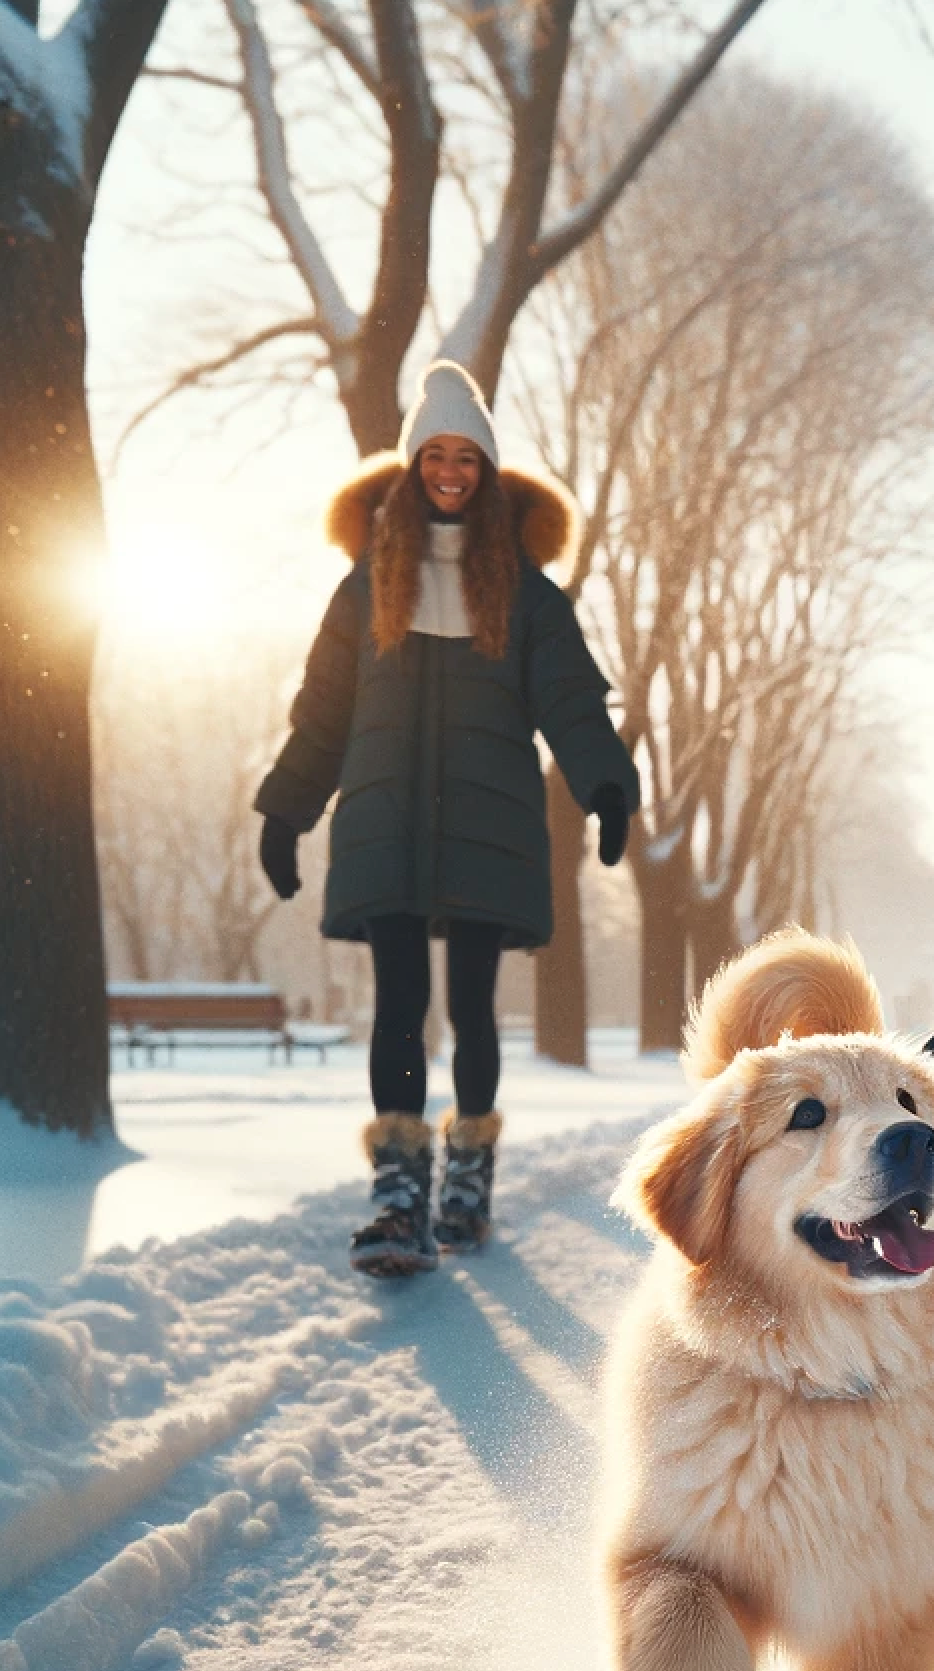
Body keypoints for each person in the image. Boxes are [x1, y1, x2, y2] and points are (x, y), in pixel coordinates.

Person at [255, 362, 640, 1279]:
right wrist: (285, 810)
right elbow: (323, 712)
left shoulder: (527, 595)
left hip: (488, 827)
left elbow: (572, 702)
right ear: (413, 463)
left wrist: (607, 788)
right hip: (385, 823)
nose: (452, 471)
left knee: (470, 1006)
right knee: (398, 1007)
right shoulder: (364, 588)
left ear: (488, 470)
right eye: (437, 453)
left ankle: (465, 1177)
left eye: (469, 456)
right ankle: (399, 1195)